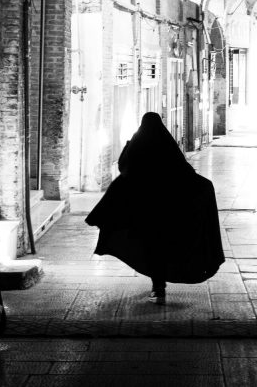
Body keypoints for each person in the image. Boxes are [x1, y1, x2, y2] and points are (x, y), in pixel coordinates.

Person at [85, 112, 224, 304]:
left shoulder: (137, 143)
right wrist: (205, 187)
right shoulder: (167, 144)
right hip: (167, 211)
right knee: (164, 246)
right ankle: (160, 285)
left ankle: (158, 287)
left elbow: (124, 168)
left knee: (150, 247)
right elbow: (184, 171)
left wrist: (128, 146)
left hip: (144, 211)